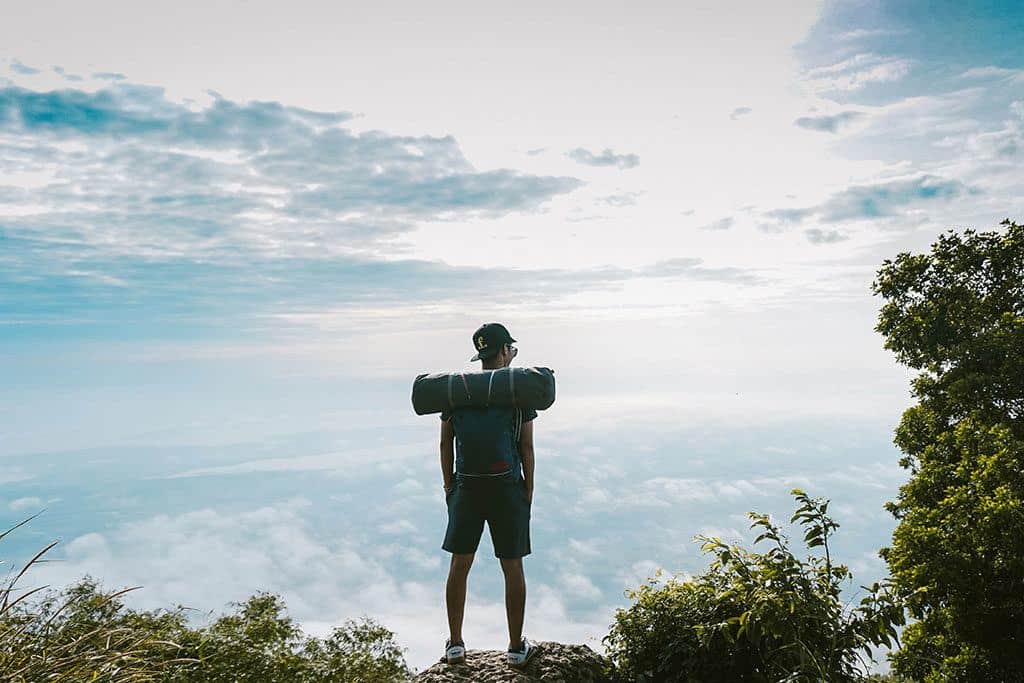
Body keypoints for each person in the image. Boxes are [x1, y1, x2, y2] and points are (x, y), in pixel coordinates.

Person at [439, 322, 539, 669]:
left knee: (459, 564)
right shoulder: (517, 391)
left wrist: (450, 486)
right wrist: (527, 490)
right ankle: (515, 647)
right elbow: (526, 446)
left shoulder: (458, 391)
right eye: (509, 349)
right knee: (512, 567)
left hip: (466, 488)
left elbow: (445, 441)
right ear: (503, 351)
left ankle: (455, 644)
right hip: (506, 489)